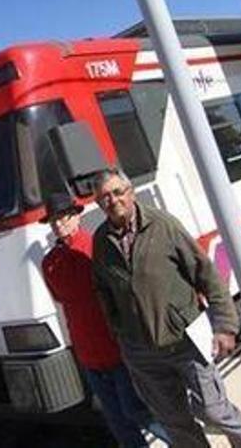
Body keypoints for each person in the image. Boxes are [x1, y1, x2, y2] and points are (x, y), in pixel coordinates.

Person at [89, 168, 241, 448]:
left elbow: (205, 273)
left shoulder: (163, 225)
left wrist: (225, 325)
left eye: (117, 192)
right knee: (175, 422)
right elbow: (103, 290)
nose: (113, 200)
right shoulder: (101, 241)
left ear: (130, 192)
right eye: (104, 197)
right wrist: (121, 333)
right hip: (141, 352)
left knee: (215, 411)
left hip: (185, 341)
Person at [40, 192, 169, 448]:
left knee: (138, 411)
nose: (58, 224)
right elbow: (60, 298)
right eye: (54, 220)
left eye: (64, 217)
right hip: (88, 355)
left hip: (117, 349)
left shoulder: (96, 248)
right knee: (118, 423)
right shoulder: (50, 262)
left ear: (77, 217)